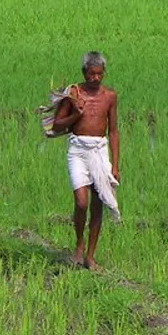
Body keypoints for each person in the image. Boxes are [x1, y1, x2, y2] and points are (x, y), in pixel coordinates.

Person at [50, 51, 120, 269]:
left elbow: (114, 131)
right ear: (84, 72)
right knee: (81, 203)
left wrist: (115, 165)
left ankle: (90, 256)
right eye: (91, 74)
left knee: (97, 205)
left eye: (99, 74)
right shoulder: (73, 93)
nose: (95, 79)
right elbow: (57, 126)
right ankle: (79, 245)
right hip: (78, 151)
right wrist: (75, 115)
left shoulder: (109, 96)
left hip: (99, 151)